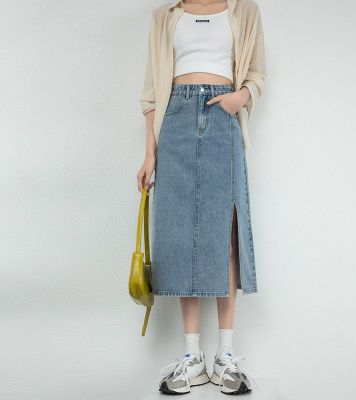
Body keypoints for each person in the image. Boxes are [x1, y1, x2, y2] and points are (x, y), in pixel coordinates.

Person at [136, 0, 266, 395]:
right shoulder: (164, 17)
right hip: (175, 118)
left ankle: (225, 354)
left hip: (223, 117)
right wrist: (150, 155)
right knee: (181, 235)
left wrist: (239, 97)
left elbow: (257, 73)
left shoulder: (243, 11)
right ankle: (192, 356)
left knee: (224, 233)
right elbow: (151, 94)